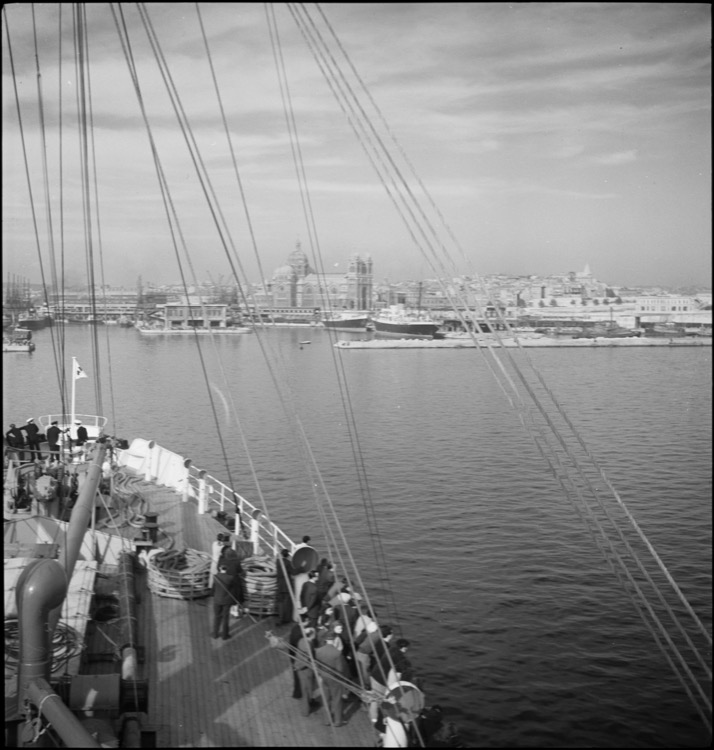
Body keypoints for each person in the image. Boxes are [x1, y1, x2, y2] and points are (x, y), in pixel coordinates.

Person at [315, 630, 350, 727]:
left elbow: (317, 665)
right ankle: (338, 721)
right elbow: (340, 669)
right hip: (334, 679)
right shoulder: (337, 653)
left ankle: (327, 719)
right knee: (337, 699)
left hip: (324, 677)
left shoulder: (319, 651)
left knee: (326, 698)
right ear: (334, 640)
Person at [295, 625, 317, 717]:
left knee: (308, 688)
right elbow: (306, 659)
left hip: (304, 669)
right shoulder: (307, 645)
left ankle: (310, 701)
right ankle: (305, 710)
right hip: (305, 670)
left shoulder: (302, 641)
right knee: (306, 690)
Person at [212, 564, 234, 640]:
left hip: (217, 600)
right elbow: (233, 589)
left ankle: (215, 634)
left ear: (220, 568)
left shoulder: (215, 577)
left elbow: (213, 588)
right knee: (225, 618)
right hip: (226, 601)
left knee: (217, 617)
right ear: (227, 569)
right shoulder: (230, 578)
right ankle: (225, 635)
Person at [276, 548, 295, 625]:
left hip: (280, 585)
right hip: (286, 586)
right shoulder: (288, 563)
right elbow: (293, 572)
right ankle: (286, 619)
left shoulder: (277, 562)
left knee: (280, 602)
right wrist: (301, 568)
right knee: (287, 603)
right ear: (288, 555)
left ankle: (280, 618)